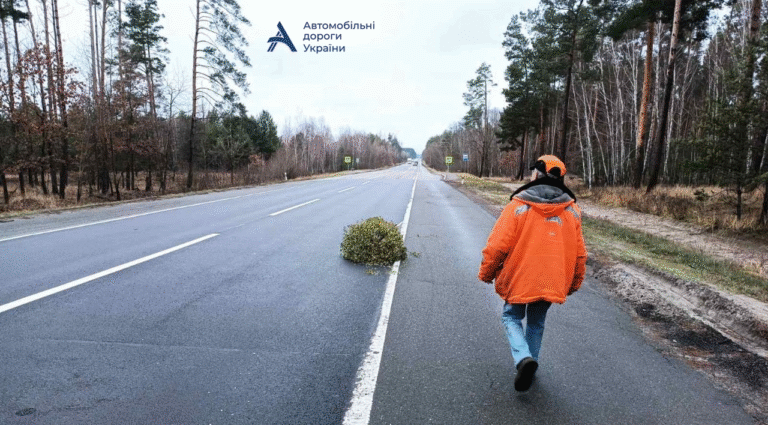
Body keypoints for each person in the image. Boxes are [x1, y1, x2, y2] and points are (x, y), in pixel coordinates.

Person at [478, 155, 587, 392]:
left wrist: (487, 272)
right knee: (536, 323)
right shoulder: (572, 211)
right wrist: (575, 282)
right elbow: (580, 254)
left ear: (536, 174)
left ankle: (523, 359)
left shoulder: (518, 207)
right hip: (551, 280)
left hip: (520, 277)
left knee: (511, 317)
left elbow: (496, 246)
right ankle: (530, 365)